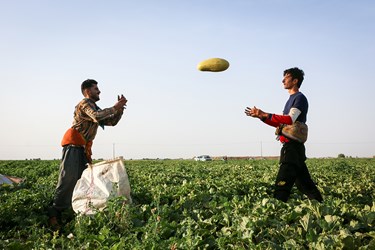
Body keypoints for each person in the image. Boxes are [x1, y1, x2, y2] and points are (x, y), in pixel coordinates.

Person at [48, 79, 127, 227]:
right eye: (96, 89)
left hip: (82, 149)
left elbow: (111, 121)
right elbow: (97, 116)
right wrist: (115, 107)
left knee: (82, 181)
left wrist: (120, 109)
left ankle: (74, 212)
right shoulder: (84, 104)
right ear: (87, 91)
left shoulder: (94, 108)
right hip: (73, 147)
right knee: (68, 180)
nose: (99, 91)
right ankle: (54, 214)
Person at [245, 67, 323, 202]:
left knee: (282, 184)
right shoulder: (291, 99)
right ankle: (322, 207)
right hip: (294, 149)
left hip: (292, 148)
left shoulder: (299, 98)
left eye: (286, 77)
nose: (283, 80)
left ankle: (277, 209)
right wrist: (261, 117)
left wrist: (264, 113)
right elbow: (281, 125)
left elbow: (289, 120)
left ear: (295, 80)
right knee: (306, 185)